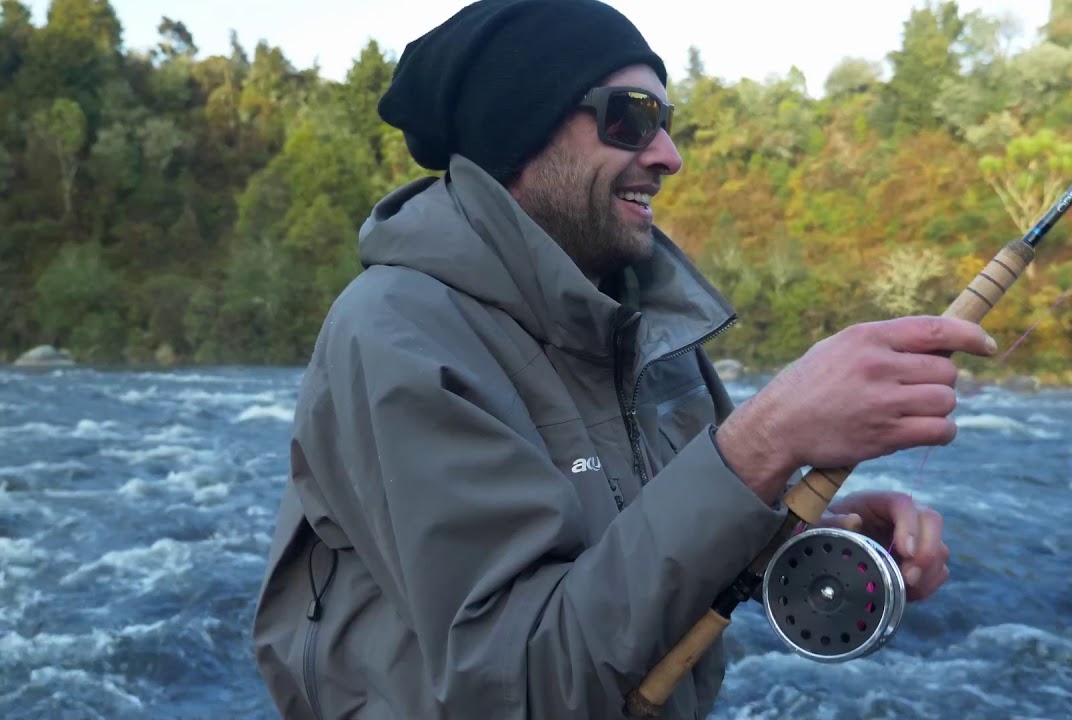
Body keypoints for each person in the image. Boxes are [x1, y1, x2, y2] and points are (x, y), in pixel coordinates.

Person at [250, 0, 998, 718]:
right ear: (519, 125)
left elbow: (648, 549)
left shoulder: (635, 324)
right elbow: (521, 686)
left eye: (666, 123)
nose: (669, 155)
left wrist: (804, 535)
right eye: (632, 118)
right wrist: (766, 440)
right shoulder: (396, 333)